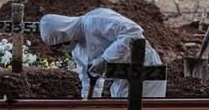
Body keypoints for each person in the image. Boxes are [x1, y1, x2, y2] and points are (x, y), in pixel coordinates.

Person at [39, 8, 167, 98]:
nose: (61, 49)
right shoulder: (78, 51)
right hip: (121, 81)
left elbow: (133, 31)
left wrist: (105, 59)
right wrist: (89, 104)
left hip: (146, 73)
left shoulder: (95, 20)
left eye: (60, 45)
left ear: (65, 34)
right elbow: (88, 78)